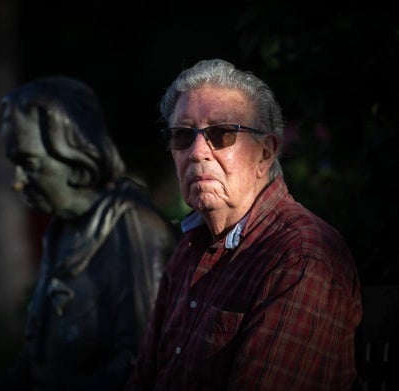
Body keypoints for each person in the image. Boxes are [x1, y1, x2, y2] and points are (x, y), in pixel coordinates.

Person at [125, 58, 363, 390]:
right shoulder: (190, 247)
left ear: (265, 154)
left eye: (221, 133)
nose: (196, 152)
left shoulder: (302, 257)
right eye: (182, 135)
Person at [0, 76, 178, 391]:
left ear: (76, 157)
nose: (18, 181)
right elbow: (37, 357)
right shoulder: (62, 230)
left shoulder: (136, 230)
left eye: (29, 163)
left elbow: (143, 364)